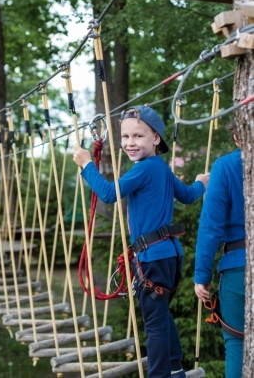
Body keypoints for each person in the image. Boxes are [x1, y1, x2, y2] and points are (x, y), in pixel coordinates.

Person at [73, 105, 209, 378]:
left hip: (152, 257)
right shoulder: (162, 169)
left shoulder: (144, 169)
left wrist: (87, 165)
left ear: (156, 138)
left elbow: (110, 194)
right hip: (167, 255)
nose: (129, 143)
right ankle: (174, 368)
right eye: (125, 137)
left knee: (155, 322)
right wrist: (201, 183)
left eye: (138, 136)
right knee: (160, 313)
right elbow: (188, 195)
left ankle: (161, 375)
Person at [194, 121, 245, 378]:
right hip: (238, 264)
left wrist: (202, 276)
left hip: (238, 268)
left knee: (237, 343)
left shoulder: (225, 167)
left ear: (237, 136)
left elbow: (211, 226)